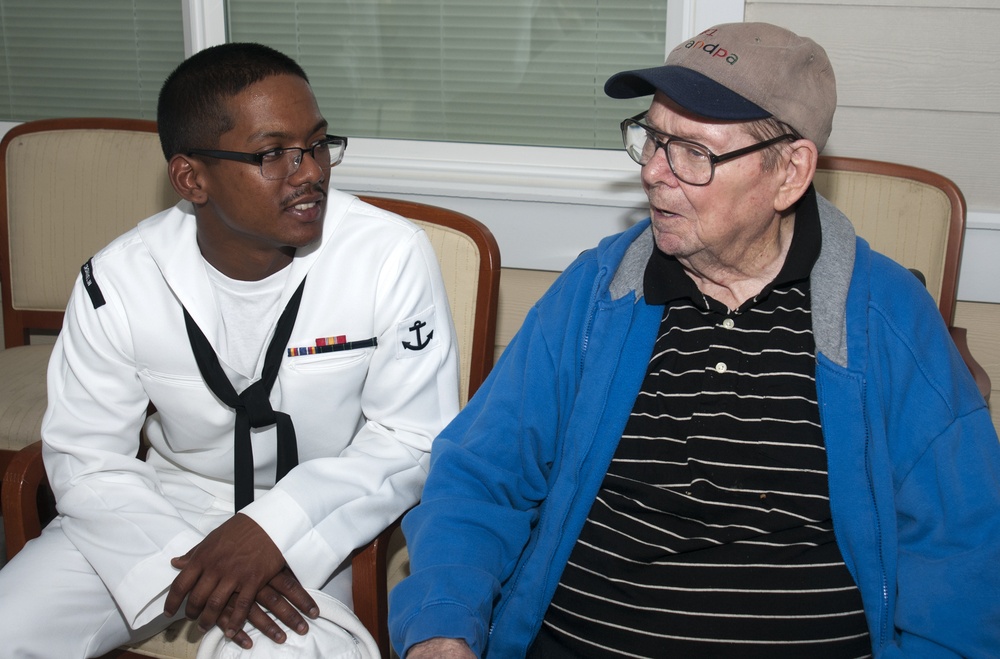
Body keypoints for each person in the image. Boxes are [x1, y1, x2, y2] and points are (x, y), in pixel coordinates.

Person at [389, 21, 1000, 659]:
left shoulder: (883, 318)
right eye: (652, 138)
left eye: (692, 152)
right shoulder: (600, 292)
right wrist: (441, 628)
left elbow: (964, 557)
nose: (654, 172)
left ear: (789, 173)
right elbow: (482, 473)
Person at [0, 42, 460, 657]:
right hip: (158, 513)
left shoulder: (387, 255)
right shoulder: (119, 281)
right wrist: (192, 567)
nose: (311, 172)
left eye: (318, 144)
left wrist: (272, 531)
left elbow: (413, 436)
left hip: (323, 517)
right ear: (192, 178)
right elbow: (85, 456)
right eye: (273, 154)